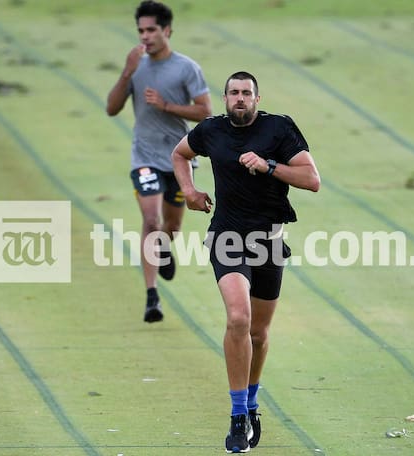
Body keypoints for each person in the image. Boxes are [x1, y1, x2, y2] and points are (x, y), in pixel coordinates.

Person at [172, 71, 320, 453]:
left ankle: (252, 406)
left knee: (258, 334)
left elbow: (311, 179)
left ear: (257, 98)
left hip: (268, 240)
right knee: (239, 318)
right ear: (224, 98)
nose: (240, 98)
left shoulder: (279, 129)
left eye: (246, 93)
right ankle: (238, 416)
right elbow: (180, 153)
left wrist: (269, 165)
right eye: (234, 93)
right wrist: (188, 190)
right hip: (227, 236)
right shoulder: (211, 131)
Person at [106, 1, 211, 323]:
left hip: (179, 157)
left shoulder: (186, 68)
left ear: (167, 30)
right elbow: (111, 109)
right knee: (150, 221)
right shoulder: (135, 65)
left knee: (172, 225)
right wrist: (127, 72)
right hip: (145, 157)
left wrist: (166, 105)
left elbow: (205, 111)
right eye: (140, 30)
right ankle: (152, 296)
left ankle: (164, 248)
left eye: (151, 29)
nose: (145, 36)